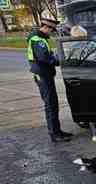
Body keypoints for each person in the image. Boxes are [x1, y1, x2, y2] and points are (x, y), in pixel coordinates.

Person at [27, 12, 73, 143]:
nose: (51, 33)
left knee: (52, 103)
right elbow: (45, 58)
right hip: (43, 76)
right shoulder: (37, 39)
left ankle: (57, 131)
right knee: (51, 104)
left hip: (44, 75)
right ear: (46, 27)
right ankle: (55, 133)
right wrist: (60, 60)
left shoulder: (39, 38)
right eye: (51, 30)